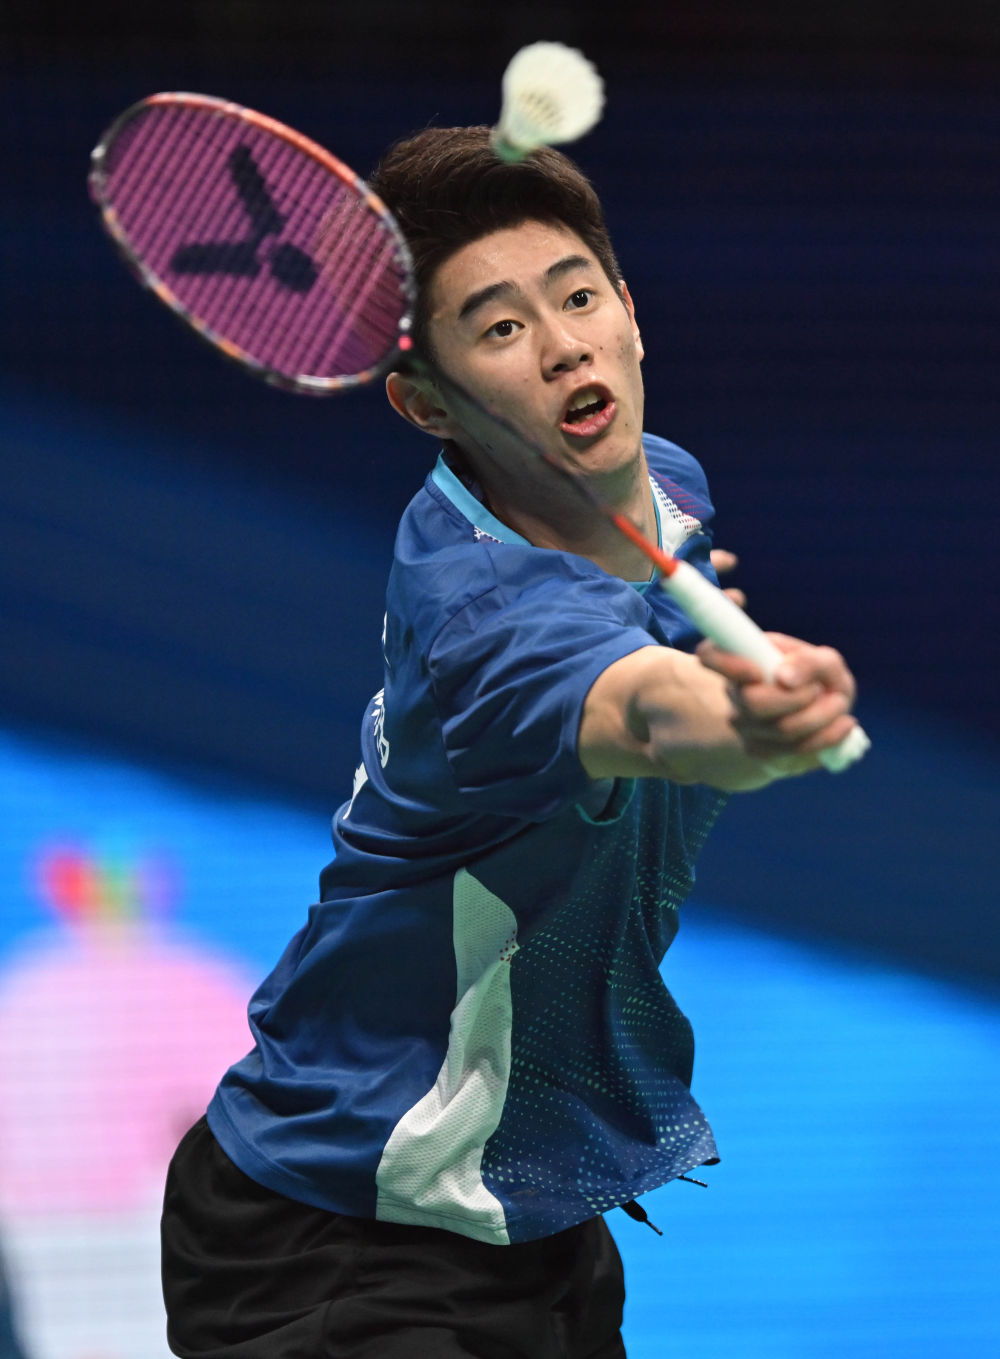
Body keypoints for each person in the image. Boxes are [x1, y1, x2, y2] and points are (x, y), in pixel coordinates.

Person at [160, 127, 859, 1359]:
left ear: (629, 311)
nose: (562, 346)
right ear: (424, 401)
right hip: (343, 1224)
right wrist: (748, 723)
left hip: (519, 1197)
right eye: (497, 329)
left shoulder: (662, 485)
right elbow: (646, 713)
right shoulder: (484, 620)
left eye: (577, 298)